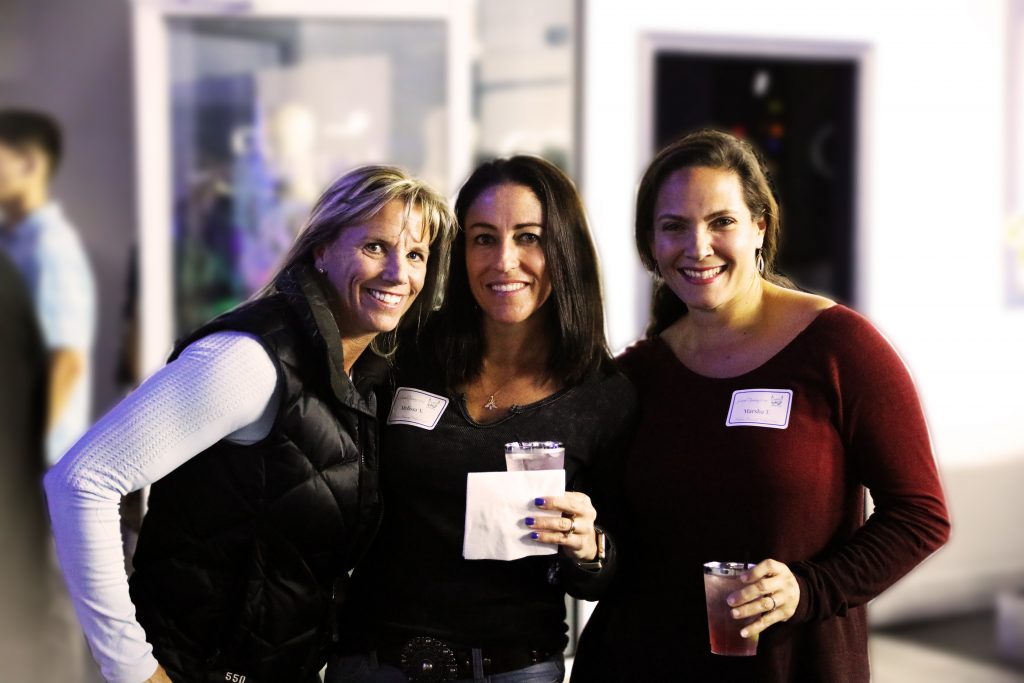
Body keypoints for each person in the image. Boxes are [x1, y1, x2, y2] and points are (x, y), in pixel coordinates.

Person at [44, 165, 456, 683]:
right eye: (376, 246)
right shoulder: (249, 360)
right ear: (322, 250)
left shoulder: (360, 380)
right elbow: (81, 484)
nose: (400, 273)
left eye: (415, 255)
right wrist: (132, 669)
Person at [570, 129, 951, 682]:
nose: (697, 246)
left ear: (759, 229)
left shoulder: (839, 347)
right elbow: (613, 542)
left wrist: (812, 587)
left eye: (721, 221)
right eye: (673, 226)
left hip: (788, 666)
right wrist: (587, 544)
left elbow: (921, 515)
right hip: (636, 659)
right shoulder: (636, 375)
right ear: (651, 246)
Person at [328, 156, 637, 683]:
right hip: (375, 659)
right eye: (484, 238)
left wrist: (590, 547)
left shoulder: (604, 395)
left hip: (512, 667)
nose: (504, 261)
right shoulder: (406, 353)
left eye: (529, 237)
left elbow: (612, 569)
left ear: (564, 248)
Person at [0, 108, 97, 466]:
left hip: (32, 462)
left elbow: (67, 360)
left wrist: (23, 452)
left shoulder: (50, 247)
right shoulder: (10, 242)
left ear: (28, 164)